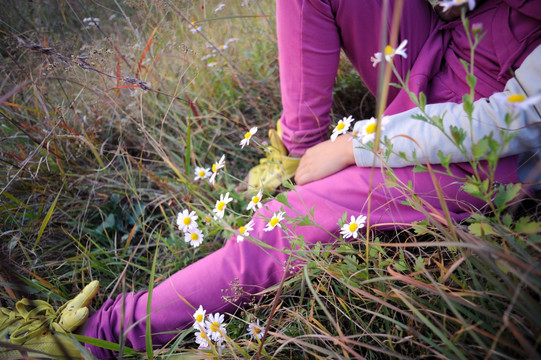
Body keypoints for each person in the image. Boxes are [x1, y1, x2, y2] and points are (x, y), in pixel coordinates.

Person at [1, 0, 540, 358]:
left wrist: (357, 146)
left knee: (281, 227)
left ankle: (94, 339)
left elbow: (521, 119)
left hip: (490, 140)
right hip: (446, 46)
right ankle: (300, 149)